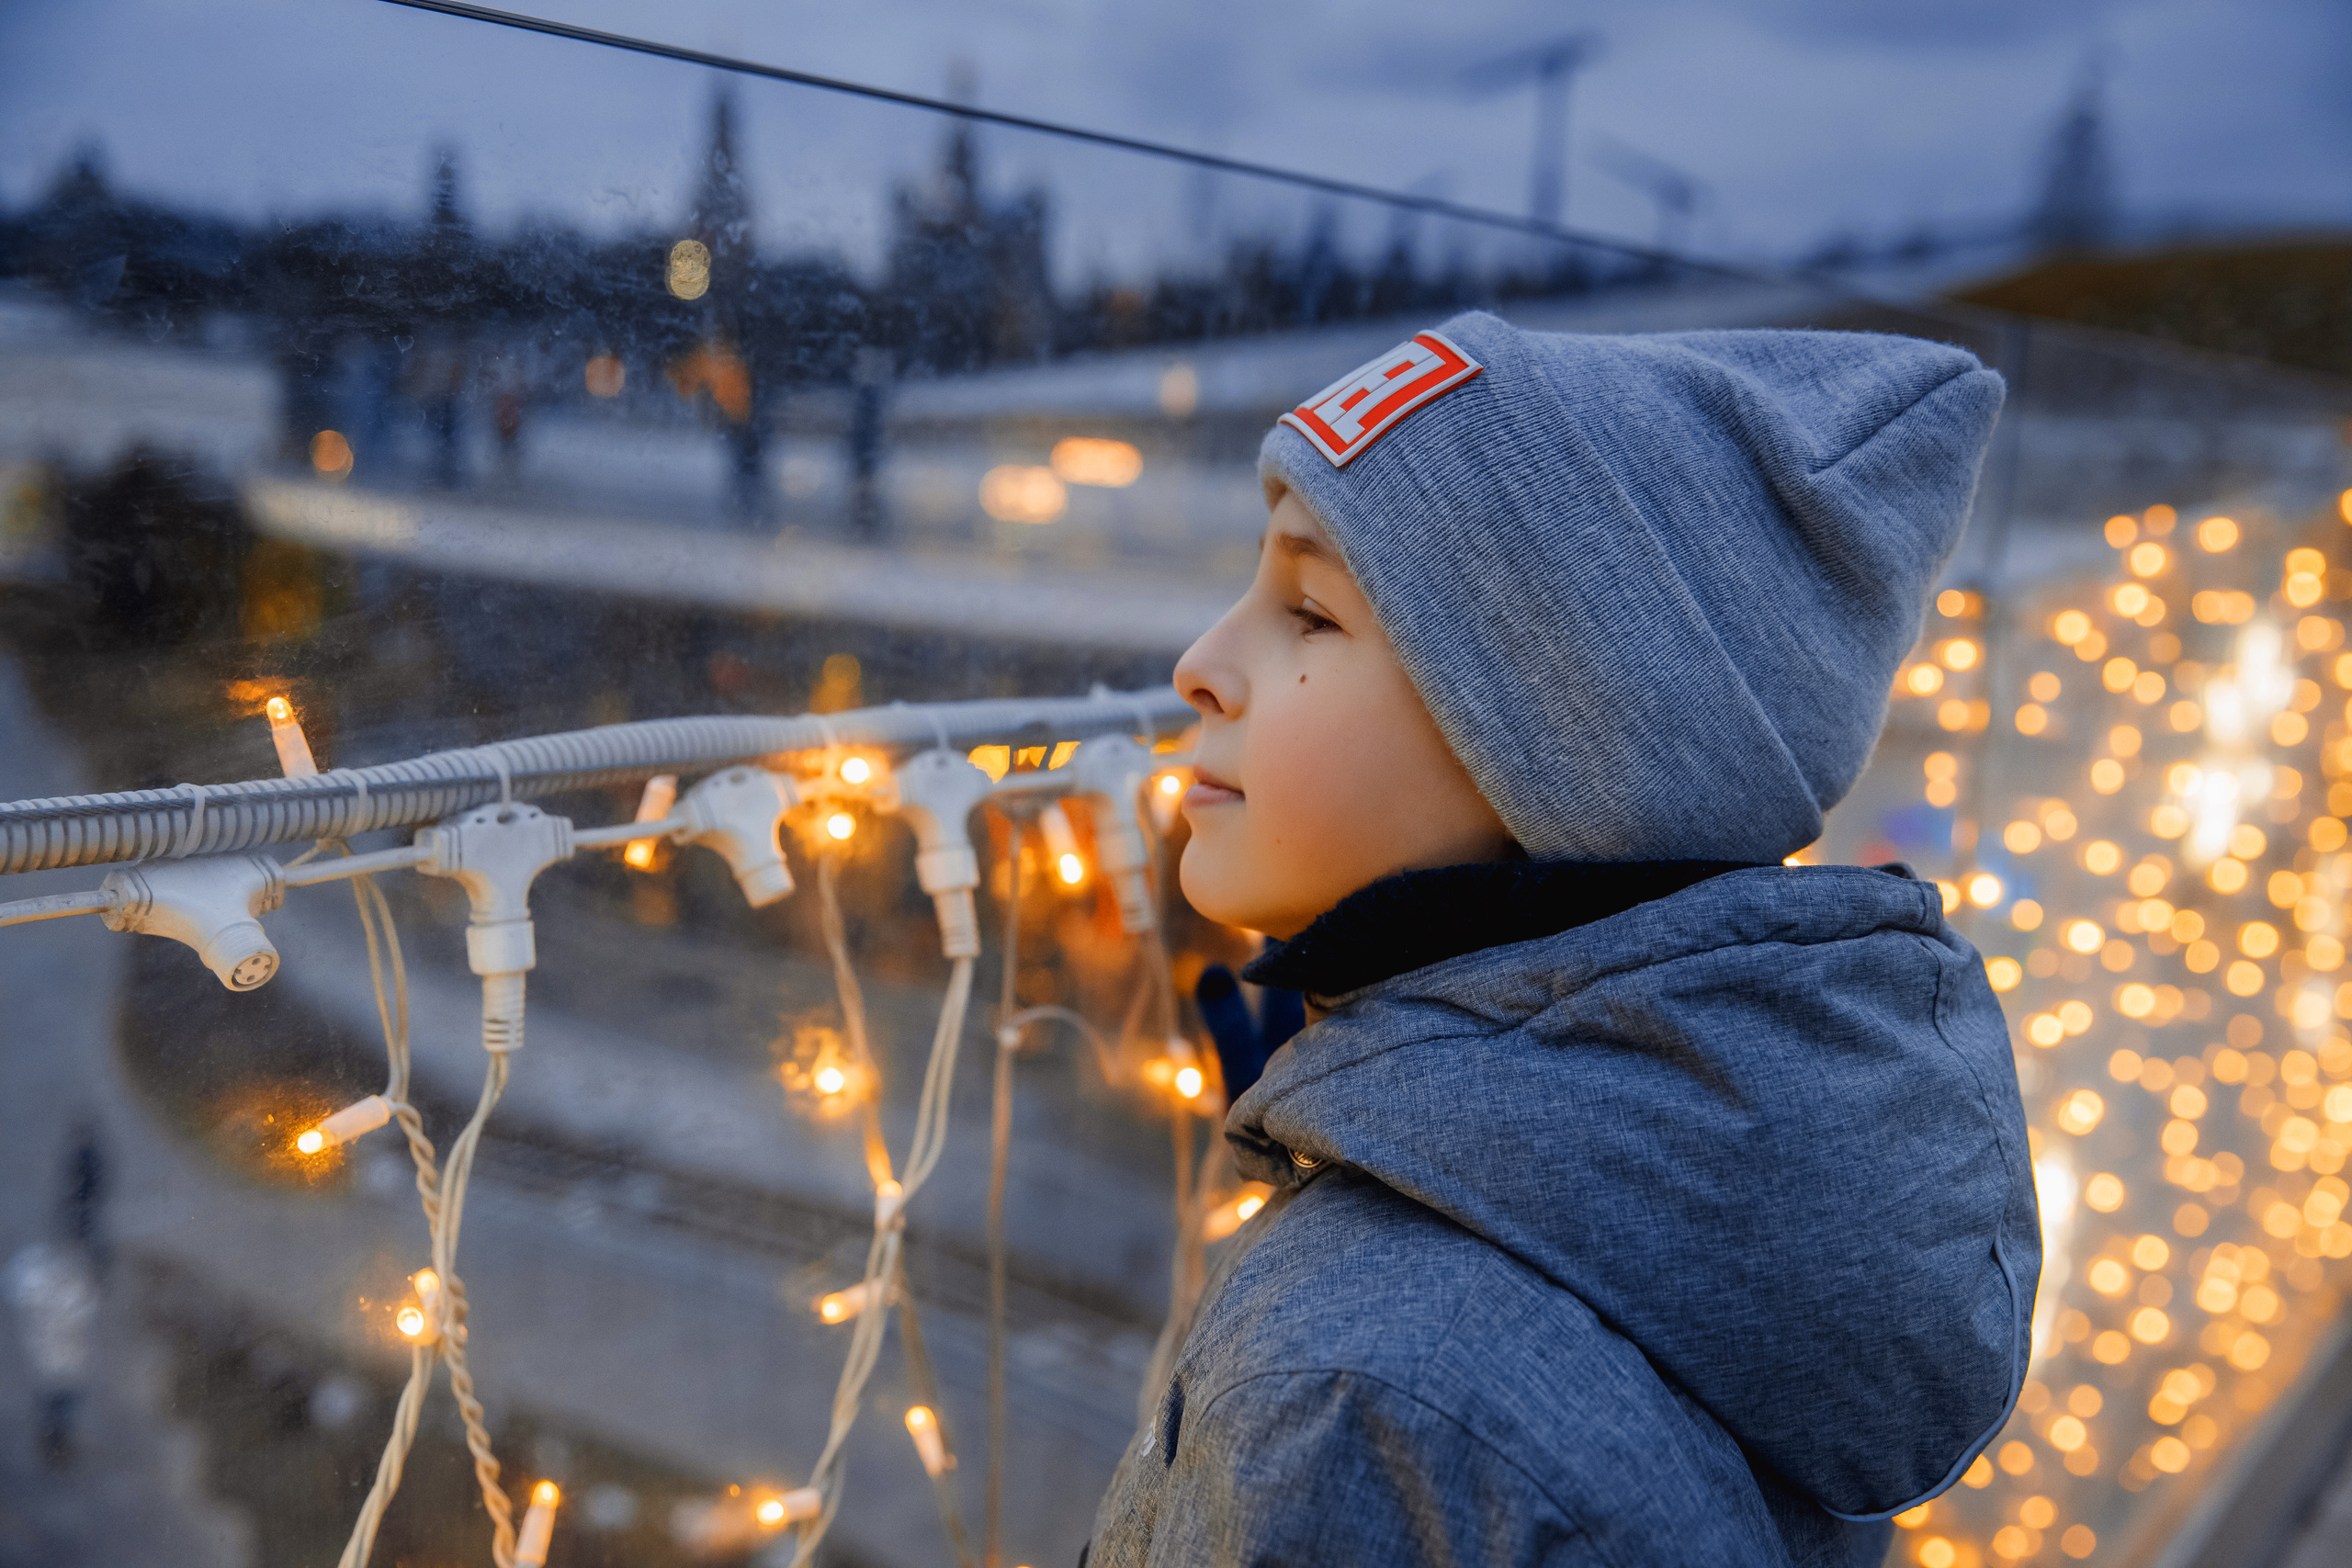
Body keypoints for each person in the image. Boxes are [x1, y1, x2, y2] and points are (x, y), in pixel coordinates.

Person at [1087, 311, 2036, 1565]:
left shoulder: (1360, 1394)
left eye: (1311, 614)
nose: (1202, 663)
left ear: (1570, 747)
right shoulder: (1767, 1212)